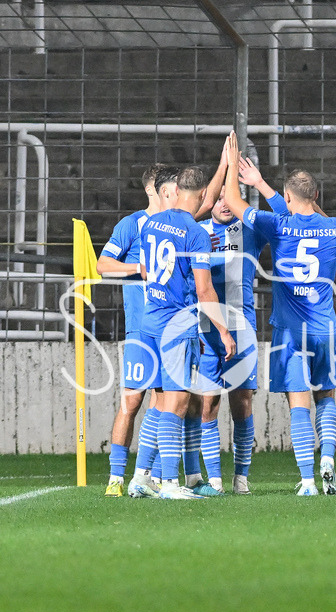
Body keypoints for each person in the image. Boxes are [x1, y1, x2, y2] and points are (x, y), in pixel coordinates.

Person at [222, 132, 336, 496]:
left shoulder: (277, 225)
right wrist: (270, 187)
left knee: (298, 401)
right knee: (325, 395)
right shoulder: (335, 227)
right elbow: (310, 215)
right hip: (323, 326)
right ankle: (328, 461)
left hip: (289, 330)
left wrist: (234, 167)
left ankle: (308, 481)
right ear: (317, 197)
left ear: (289, 197)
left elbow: (232, 199)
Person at [132, 165, 236, 500]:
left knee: (160, 402)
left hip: (149, 319)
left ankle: (140, 479)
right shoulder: (196, 233)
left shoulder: (151, 222)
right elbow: (205, 291)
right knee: (177, 404)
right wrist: (223, 330)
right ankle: (170, 485)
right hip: (176, 324)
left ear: (175, 191)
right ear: (203, 194)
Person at [196, 160, 288, 494]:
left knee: (242, 403)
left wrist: (261, 183)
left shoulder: (249, 229)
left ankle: (241, 478)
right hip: (205, 329)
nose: (223, 204)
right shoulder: (198, 231)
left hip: (242, 328)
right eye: (216, 198)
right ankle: (214, 480)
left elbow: (287, 219)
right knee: (208, 404)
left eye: (228, 197)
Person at [95, 163, 166, 497]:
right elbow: (103, 264)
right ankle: (115, 478)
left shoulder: (178, 225)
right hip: (140, 329)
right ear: (152, 189)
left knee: (164, 402)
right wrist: (139, 268)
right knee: (131, 401)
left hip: (171, 329)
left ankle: (150, 476)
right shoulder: (132, 224)